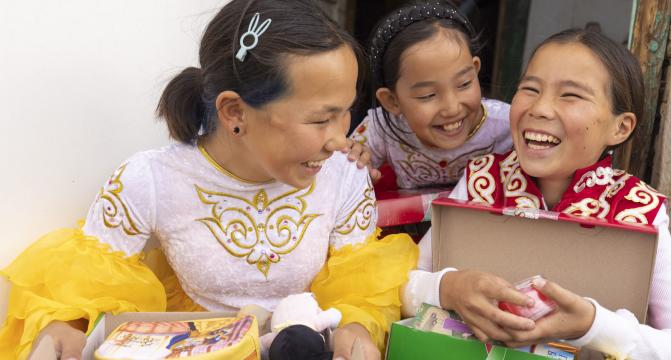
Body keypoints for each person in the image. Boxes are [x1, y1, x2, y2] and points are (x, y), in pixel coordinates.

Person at [0, 1, 417, 359]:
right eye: (320, 119)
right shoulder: (152, 179)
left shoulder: (344, 175)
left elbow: (361, 282)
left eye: (346, 111)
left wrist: (358, 328)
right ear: (235, 112)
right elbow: (85, 285)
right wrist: (64, 328)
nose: (339, 138)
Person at [402, 29, 671, 359]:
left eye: (570, 95)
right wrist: (448, 288)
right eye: (530, 89)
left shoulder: (638, 210)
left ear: (620, 127)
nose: (540, 108)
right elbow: (399, 289)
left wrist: (593, 326)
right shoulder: (481, 181)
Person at [349, 1, 513, 189]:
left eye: (464, 84)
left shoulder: (509, 126)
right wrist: (356, 169)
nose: (452, 107)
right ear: (392, 101)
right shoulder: (380, 130)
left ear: (475, 71)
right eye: (428, 95)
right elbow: (340, 175)